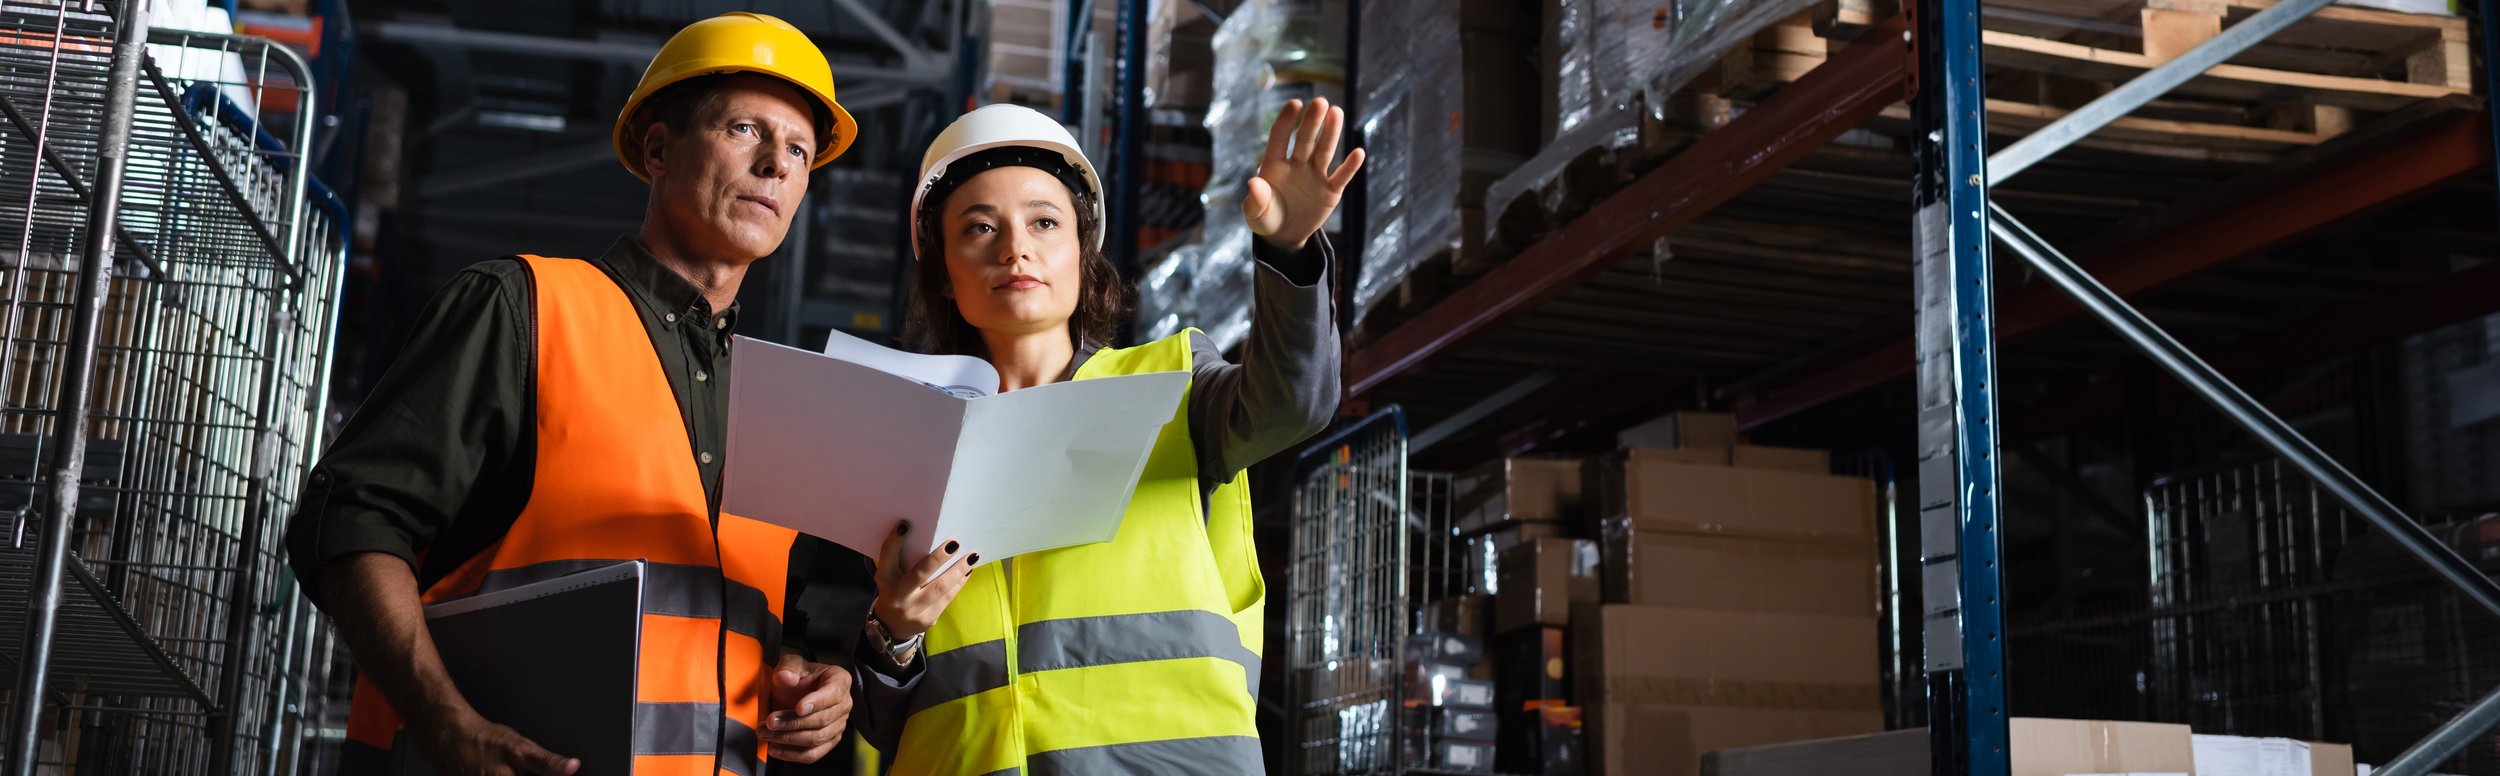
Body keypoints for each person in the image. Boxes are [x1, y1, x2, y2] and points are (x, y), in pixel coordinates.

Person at [284, 12, 872, 775]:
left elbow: (756, 622)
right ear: (658, 147)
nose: (777, 167)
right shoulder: (522, 307)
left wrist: (810, 679)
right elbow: (349, 524)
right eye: (744, 132)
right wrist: (445, 722)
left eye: (798, 150)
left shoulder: (784, 402)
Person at [848, 100, 1362, 774]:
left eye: (1044, 222)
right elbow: (884, 725)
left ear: (1082, 252)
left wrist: (1289, 253)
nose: (1015, 249)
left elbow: (1291, 404)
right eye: (979, 227)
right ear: (944, 271)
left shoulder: (1169, 385)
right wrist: (895, 634)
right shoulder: (904, 446)